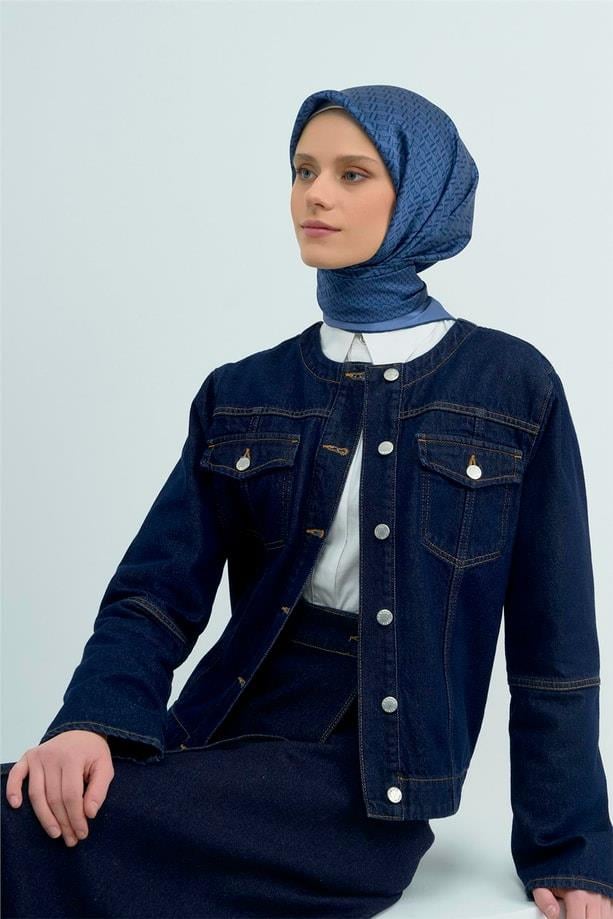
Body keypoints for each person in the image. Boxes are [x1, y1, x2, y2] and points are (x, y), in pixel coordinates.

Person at [2, 84, 612, 919]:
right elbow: (155, 594)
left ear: (420, 197)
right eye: (302, 170)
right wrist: (91, 724)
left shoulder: (511, 386)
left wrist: (570, 847)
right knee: (28, 799)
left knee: (30, 833)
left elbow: (554, 640)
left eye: (352, 174)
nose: (314, 195)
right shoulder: (242, 390)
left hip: (364, 785)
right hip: (216, 732)